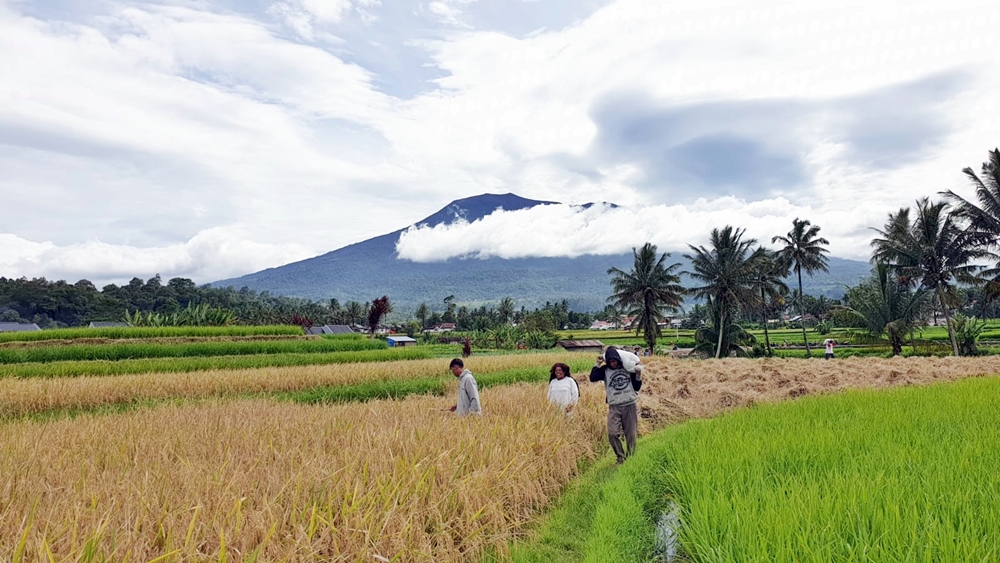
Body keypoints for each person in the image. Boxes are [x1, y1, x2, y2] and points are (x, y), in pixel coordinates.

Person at [590, 346, 643, 464]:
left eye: (614, 361)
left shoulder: (628, 368)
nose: (612, 364)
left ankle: (631, 458)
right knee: (612, 433)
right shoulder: (605, 370)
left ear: (618, 360)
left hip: (629, 405)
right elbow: (592, 378)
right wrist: (597, 364)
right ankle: (620, 457)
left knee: (631, 434)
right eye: (610, 362)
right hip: (614, 406)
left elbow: (637, 387)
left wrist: (638, 373)